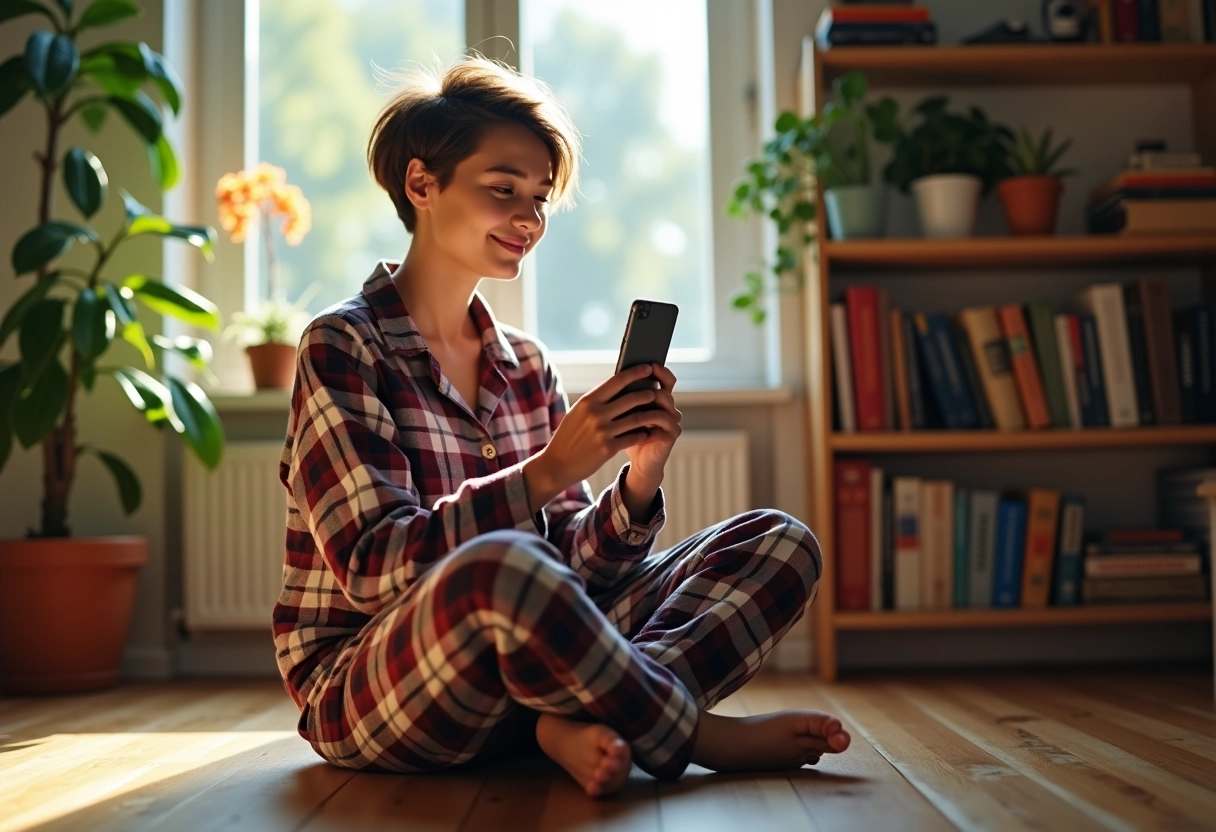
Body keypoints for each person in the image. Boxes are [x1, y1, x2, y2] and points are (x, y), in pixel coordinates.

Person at [272, 55, 850, 800]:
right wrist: (543, 472)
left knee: (779, 541)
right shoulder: (342, 347)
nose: (528, 219)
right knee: (502, 564)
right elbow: (372, 568)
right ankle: (689, 732)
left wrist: (638, 479)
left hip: (531, 672)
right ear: (422, 185)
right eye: (503, 190)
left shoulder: (525, 365)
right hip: (375, 682)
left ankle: (566, 723)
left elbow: (580, 574)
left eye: (540, 198)